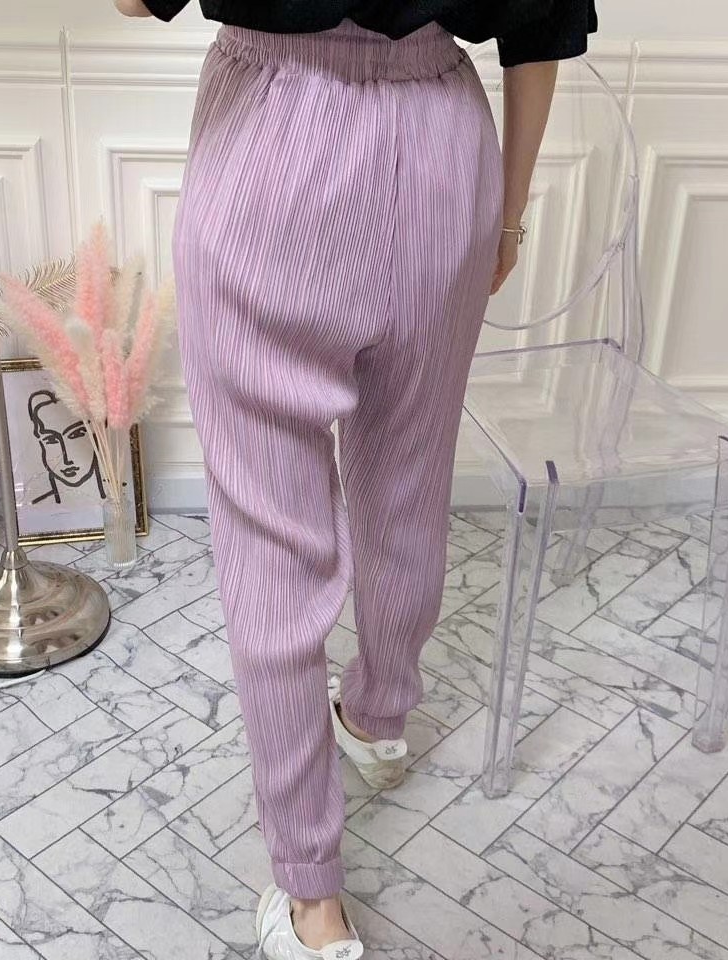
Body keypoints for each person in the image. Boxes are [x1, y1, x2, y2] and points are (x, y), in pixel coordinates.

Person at [114, 3, 595, 958]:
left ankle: (313, 899)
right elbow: (541, 24)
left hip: (268, 146)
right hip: (441, 145)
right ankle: (380, 717)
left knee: (272, 542)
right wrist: (506, 215)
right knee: (409, 479)